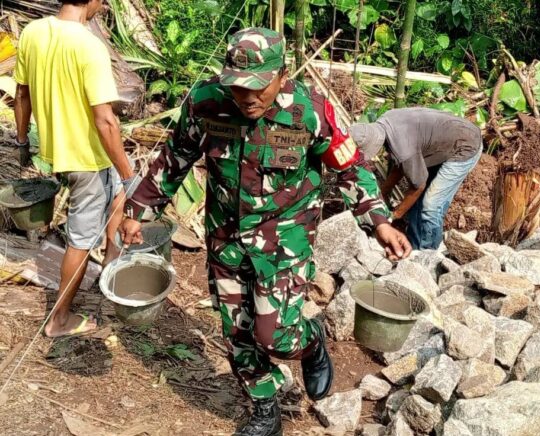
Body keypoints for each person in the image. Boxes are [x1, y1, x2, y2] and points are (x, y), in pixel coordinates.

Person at [120, 28, 411, 436]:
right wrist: (139, 210)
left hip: (285, 240)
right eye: (237, 88)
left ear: (283, 74)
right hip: (226, 238)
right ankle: (264, 407)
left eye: (258, 87)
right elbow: (175, 157)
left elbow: (349, 166)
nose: (248, 98)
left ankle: (309, 343)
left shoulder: (309, 111)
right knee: (238, 332)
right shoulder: (206, 104)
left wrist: (379, 220)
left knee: (274, 335)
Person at [14, 0, 136, 337]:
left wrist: (23, 141)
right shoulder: (89, 46)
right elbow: (105, 120)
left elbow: (21, 95)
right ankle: (59, 319)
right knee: (81, 239)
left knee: (119, 197)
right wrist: (128, 171)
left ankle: (111, 270)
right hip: (87, 159)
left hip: (57, 152)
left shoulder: (32, 32)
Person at [349, 108, 482, 250]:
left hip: (465, 145)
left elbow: (418, 185)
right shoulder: (386, 121)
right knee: (418, 202)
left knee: (431, 205)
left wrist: (394, 216)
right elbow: (400, 165)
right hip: (444, 141)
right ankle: (414, 247)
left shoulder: (404, 149)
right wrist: (383, 193)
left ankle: (428, 256)